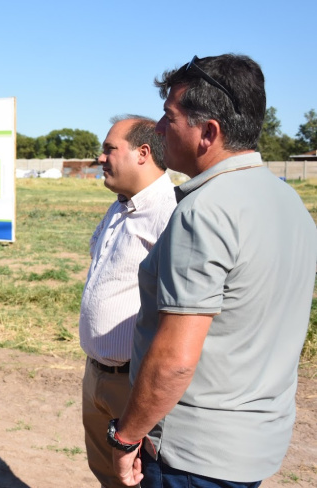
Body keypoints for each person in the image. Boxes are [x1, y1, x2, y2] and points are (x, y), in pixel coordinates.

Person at [109, 54, 317, 487]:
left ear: (209, 132)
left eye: (169, 117)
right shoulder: (289, 202)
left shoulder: (204, 211)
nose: (159, 129)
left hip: (192, 456)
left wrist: (126, 438)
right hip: (255, 444)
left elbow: (174, 361)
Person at [79, 116, 176, 488]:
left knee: (137, 479)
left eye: (109, 149)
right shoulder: (120, 207)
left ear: (143, 153)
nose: (101, 158)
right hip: (97, 375)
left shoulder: (169, 213)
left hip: (134, 384)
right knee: (108, 476)